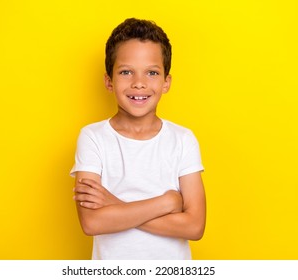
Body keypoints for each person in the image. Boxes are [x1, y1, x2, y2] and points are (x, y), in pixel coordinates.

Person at [70, 18, 206, 260]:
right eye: (126, 72)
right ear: (109, 81)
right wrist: (168, 202)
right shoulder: (93, 138)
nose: (139, 83)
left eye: (152, 72)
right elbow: (92, 222)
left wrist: (114, 205)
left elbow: (194, 226)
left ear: (166, 82)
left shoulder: (183, 140)